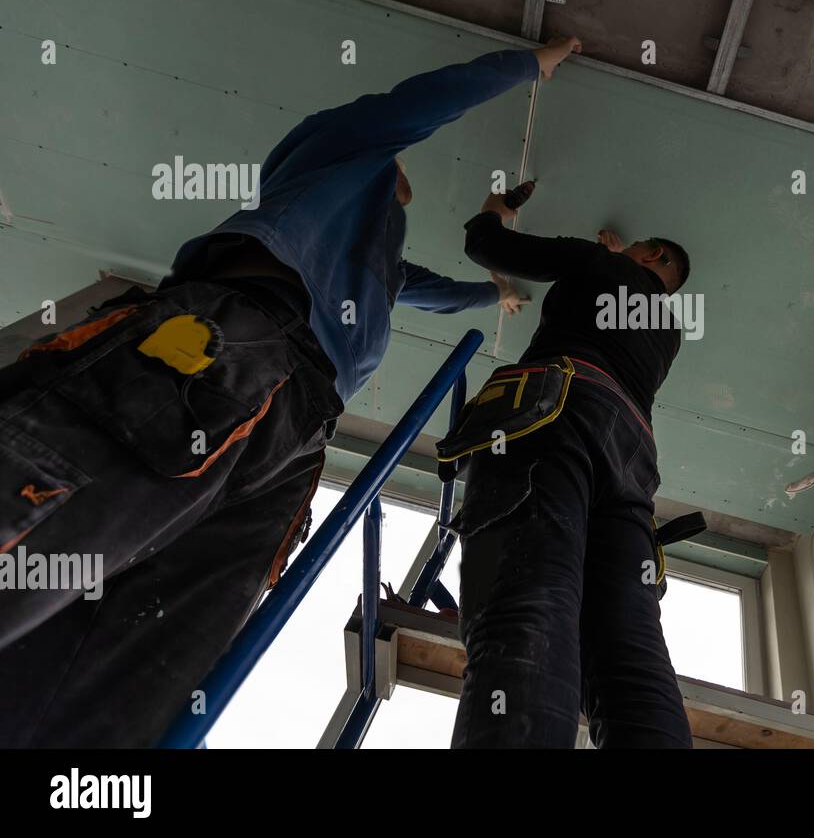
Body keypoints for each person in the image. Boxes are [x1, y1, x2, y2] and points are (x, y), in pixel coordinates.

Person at [0, 37, 583, 747]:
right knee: (45, 526)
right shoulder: (330, 152)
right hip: (225, 339)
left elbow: (422, 290)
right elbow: (418, 104)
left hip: (296, 432)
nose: (407, 185)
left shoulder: (379, 262)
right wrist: (528, 64)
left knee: (138, 678)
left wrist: (492, 295)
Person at [442, 182, 695, 748]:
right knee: (630, 651)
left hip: (554, 412)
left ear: (653, 255)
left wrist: (495, 208)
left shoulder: (597, 263)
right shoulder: (669, 332)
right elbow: (621, 294)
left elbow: (485, 245)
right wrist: (613, 258)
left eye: (638, 250)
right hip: (630, 462)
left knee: (530, 598)